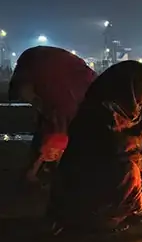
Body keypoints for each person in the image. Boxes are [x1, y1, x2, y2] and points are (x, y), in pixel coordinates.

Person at [47, 61, 142, 235]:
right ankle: (105, 218)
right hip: (90, 193)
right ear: (128, 90)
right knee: (129, 173)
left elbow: (138, 151)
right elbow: (119, 159)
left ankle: (123, 211)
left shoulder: (127, 113)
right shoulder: (100, 115)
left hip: (109, 184)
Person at [8, 46, 97, 182]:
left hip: (66, 94)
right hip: (61, 92)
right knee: (54, 131)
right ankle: (36, 171)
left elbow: (58, 115)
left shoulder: (67, 84)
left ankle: (45, 169)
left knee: (56, 132)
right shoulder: (38, 68)